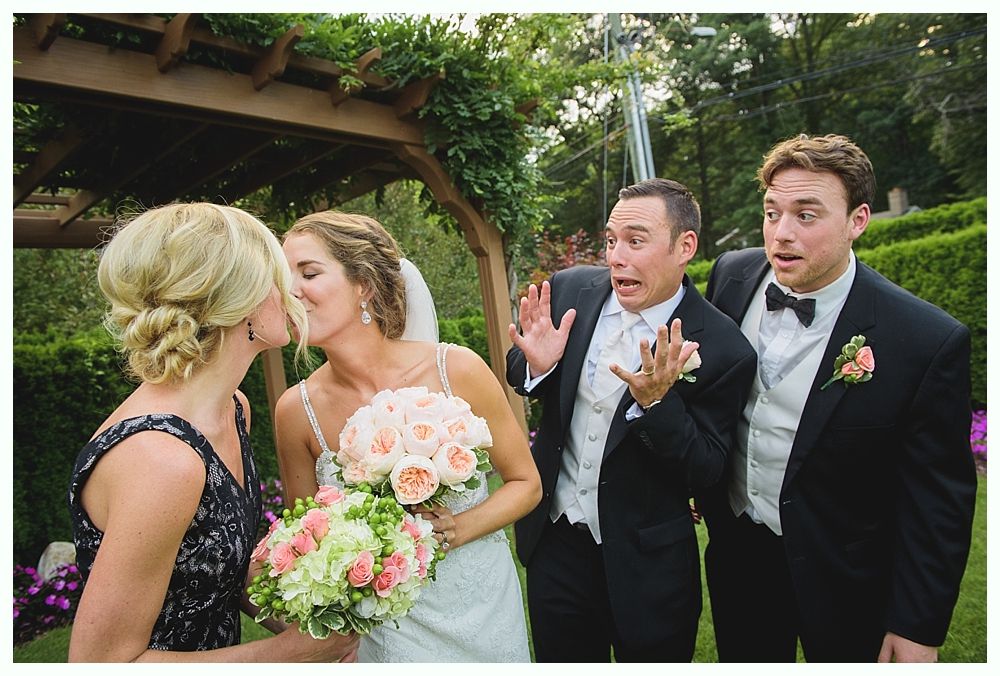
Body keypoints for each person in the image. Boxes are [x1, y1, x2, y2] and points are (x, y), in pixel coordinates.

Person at [699, 133, 977, 662]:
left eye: (806, 215)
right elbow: (714, 389)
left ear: (858, 220)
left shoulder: (923, 340)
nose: (781, 233)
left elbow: (938, 501)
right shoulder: (732, 276)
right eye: (772, 212)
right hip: (739, 554)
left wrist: (917, 624)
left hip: (848, 572)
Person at [67, 203, 360, 661]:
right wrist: (289, 654)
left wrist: (310, 629)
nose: (292, 292)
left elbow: (214, 569)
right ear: (235, 300)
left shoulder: (234, 410)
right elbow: (101, 663)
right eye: (276, 276)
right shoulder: (162, 459)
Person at [505, 178, 757, 662]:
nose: (616, 256)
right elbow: (523, 369)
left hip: (649, 565)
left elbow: (707, 470)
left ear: (685, 246)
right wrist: (538, 366)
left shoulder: (724, 347)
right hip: (555, 543)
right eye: (610, 241)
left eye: (635, 241)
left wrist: (659, 407)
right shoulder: (571, 289)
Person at [274, 210, 541, 662]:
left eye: (309, 273)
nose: (290, 291)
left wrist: (457, 528)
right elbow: (308, 536)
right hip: (386, 626)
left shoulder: (456, 368)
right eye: (284, 277)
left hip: (480, 602)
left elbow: (525, 483)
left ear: (365, 285)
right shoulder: (295, 411)